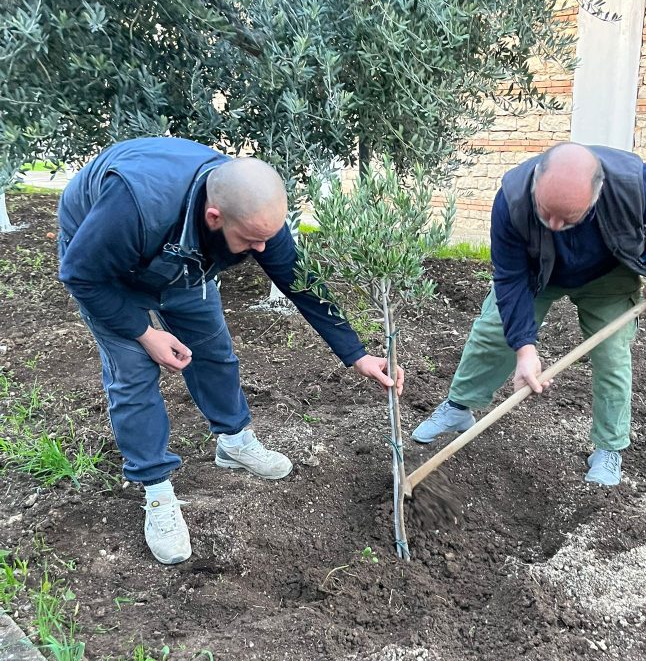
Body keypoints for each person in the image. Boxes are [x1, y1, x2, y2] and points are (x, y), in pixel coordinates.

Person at [58, 137, 403, 565]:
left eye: (267, 239)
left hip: (183, 260)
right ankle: (157, 490)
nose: (261, 250)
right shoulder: (132, 207)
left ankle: (234, 442)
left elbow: (300, 283)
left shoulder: (256, 218)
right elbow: (81, 276)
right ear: (214, 217)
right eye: (252, 240)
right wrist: (144, 332)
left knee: (213, 350)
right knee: (133, 373)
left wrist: (358, 354)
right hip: (105, 270)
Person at [412, 142, 646, 486]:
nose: (555, 225)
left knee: (612, 354)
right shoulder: (512, 199)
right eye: (546, 212)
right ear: (536, 182)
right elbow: (510, 279)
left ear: (597, 195)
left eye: (569, 218)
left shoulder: (632, 185)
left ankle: (609, 448)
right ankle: (458, 407)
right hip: (536, 273)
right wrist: (525, 349)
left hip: (607, 272)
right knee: (494, 331)